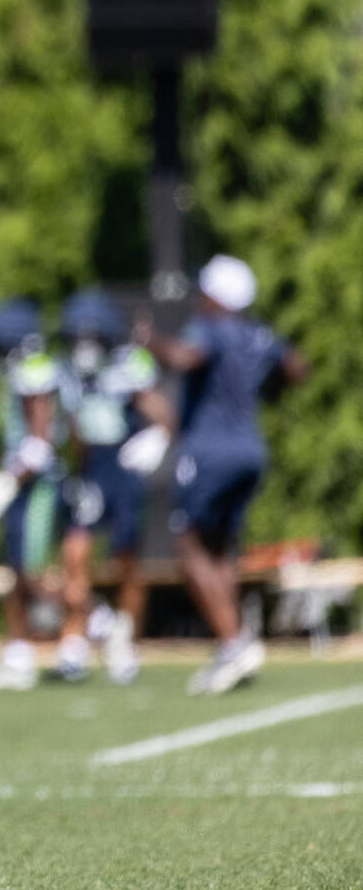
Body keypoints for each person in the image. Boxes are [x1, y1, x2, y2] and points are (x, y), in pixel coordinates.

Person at [140, 255, 307, 695]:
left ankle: (234, 642)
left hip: (210, 450)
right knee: (220, 549)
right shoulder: (257, 334)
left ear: (216, 295)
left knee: (189, 544)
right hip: (251, 449)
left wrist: (149, 341)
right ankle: (232, 642)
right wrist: (266, 388)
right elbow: (296, 368)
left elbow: (186, 356)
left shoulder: (210, 328)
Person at [52, 289, 173, 685]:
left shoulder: (127, 366)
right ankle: (76, 639)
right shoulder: (66, 372)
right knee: (75, 553)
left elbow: (162, 412)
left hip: (122, 466)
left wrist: (158, 436)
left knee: (126, 561)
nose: (83, 347)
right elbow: (72, 429)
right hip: (91, 469)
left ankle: (124, 639)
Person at [0, 297, 61, 694]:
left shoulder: (35, 372)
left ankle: (99, 621)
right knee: (17, 573)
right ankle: (18, 655)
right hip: (23, 483)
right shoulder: (25, 371)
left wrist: (7, 482)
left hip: (34, 486)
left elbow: (40, 443)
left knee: (31, 571)